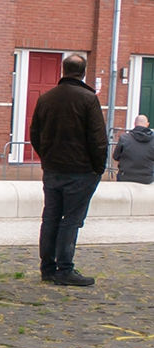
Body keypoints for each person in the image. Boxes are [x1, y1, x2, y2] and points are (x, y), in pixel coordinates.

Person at [29, 54, 107, 286]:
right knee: (71, 220)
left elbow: (35, 133)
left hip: (53, 169)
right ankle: (65, 268)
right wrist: (98, 168)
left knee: (50, 217)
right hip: (80, 170)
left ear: (63, 70)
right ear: (83, 73)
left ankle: (47, 268)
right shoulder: (88, 99)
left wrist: (47, 157)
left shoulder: (46, 99)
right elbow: (98, 139)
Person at [113, 114, 154, 184]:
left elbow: (115, 157)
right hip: (147, 179)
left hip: (125, 178)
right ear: (147, 124)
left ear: (134, 124)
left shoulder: (124, 138)